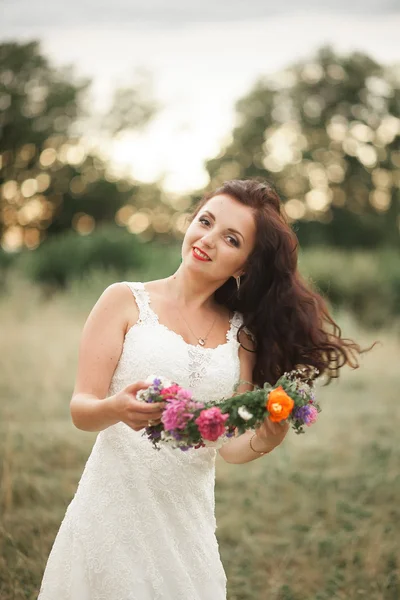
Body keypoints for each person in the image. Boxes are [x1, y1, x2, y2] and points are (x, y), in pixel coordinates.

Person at [37, 178, 364, 600]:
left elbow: (227, 445)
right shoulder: (123, 301)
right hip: (110, 510)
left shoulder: (240, 335)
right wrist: (117, 408)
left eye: (230, 238)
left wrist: (266, 436)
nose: (207, 240)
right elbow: (81, 409)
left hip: (185, 522)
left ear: (245, 264)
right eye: (204, 221)